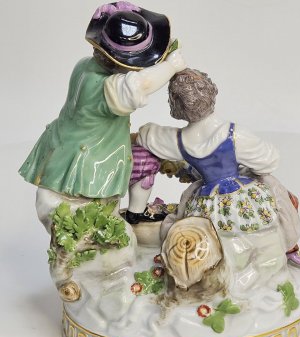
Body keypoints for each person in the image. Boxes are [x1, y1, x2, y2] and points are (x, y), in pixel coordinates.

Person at [135, 68, 300, 269]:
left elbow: (148, 136)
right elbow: (268, 160)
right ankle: (283, 250)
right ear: (211, 92)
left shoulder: (179, 140)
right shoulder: (234, 134)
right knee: (280, 203)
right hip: (242, 196)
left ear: (176, 104)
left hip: (206, 202)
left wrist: (136, 136)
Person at [19, 2, 186, 203]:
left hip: (64, 144)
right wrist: (171, 67)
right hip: (92, 159)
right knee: (108, 197)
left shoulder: (84, 65)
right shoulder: (109, 86)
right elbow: (141, 85)